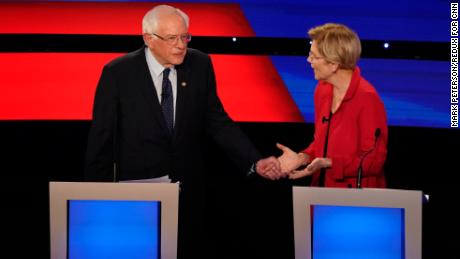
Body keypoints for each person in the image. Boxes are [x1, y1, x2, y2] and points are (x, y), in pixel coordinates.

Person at [84, 4, 284, 258]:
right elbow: (102, 138)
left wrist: (254, 160)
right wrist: (95, 197)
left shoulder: (200, 64)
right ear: (148, 39)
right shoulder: (118, 72)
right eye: (171, 38)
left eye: (184, 36)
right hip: (137, 193)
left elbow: (216, 120)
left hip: (188, 193)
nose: (180, 45)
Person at [277, 23, 388, 188]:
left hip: (357, 198)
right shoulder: (322, 90)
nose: (309, 61)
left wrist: (329, 163)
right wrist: (302, 158)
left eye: (314, 57)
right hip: (322, 191)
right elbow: (321, 143)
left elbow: (374, 161)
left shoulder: (367, 98)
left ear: (334, 64)